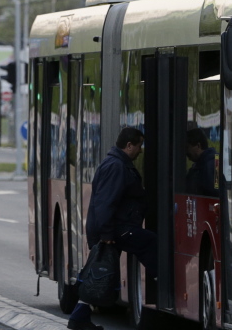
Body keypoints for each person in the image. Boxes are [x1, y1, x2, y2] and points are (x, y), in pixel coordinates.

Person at [68, 127, 157, 330]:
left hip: (112, 228)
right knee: (152, 243)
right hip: (115, 229)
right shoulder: (116, 166)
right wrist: (107, 234)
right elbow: (105, 203)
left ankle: (78, 318)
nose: (140, 151)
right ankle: (163, 286)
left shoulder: (116, 163)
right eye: (139, 146)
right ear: (129, 146)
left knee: (99, 273)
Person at [185, 127, 218, 197]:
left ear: (198, 146)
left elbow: (214, 195)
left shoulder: (212, 164)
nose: (186, 152)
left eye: (187, 147)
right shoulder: (200, 165)